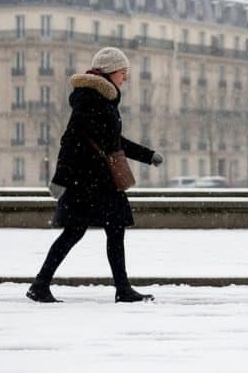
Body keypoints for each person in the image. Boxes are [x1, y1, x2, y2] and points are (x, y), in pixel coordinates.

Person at [27, 47, 163, 303]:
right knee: (77, 233)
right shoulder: (91, 100)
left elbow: (113, 141)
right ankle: (41, 285)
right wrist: (60, 180)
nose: (125, 78)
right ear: (110, 72)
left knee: (109, 231)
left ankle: (120, 289)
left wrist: (148, 155)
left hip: (98, 182)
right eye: (122, 72)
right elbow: (70, 140)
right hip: (88, 182)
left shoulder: (102, 99)